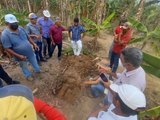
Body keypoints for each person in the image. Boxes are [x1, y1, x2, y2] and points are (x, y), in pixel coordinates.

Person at [1, 14, 40, 81]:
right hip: (20, 56)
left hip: (30, 52)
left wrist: (34, 44)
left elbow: (28, 37)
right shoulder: (5, 34)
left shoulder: (21, 28)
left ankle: (37, 70)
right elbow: (7, 48)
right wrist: (19, 56)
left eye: (15, 22)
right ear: (7, 23)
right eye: (12, 23)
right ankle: (28, 75)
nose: (15, 24)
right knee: (24, 66)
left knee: (35, 62)